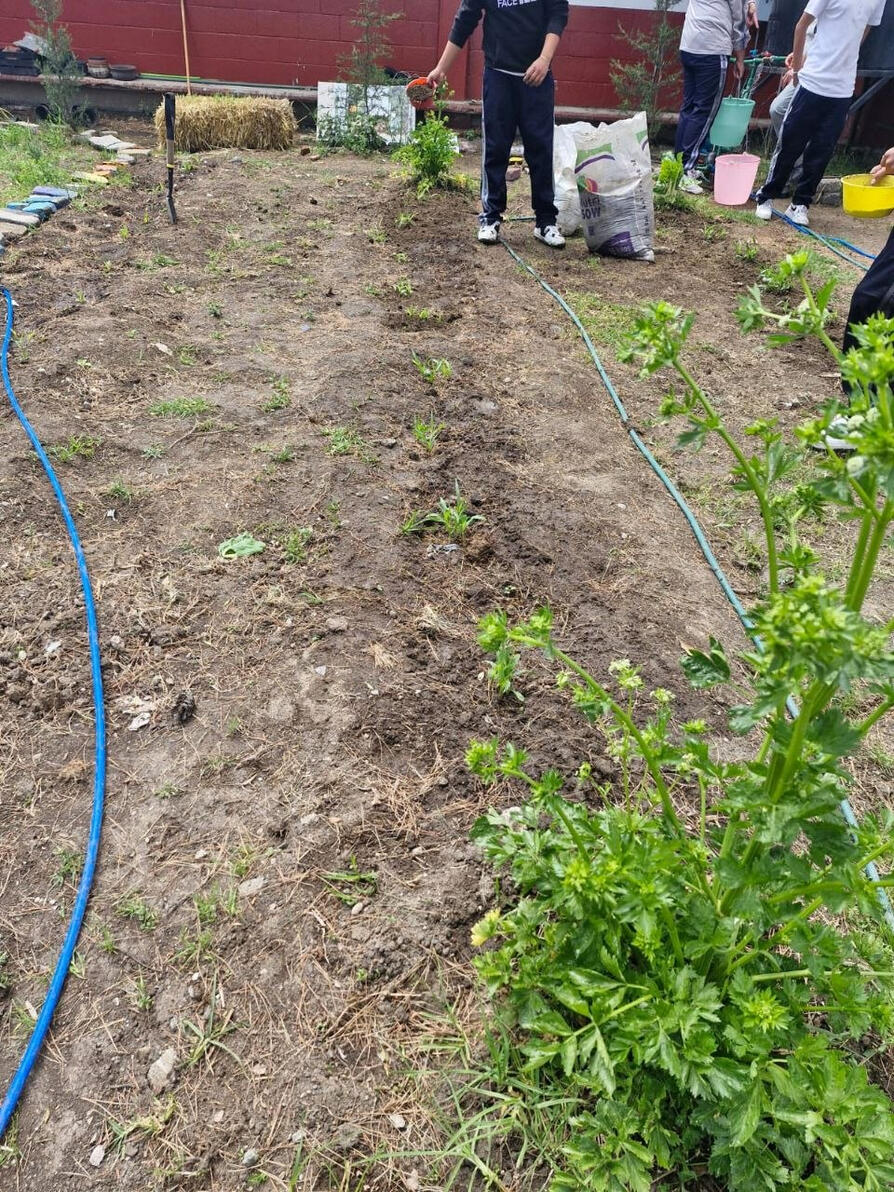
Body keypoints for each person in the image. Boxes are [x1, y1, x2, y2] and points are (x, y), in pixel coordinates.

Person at [426, 0, 569, 248]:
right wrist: (441, 68)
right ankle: (490, 218)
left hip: (537, 77)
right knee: (495, 148)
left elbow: (557, 13)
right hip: (498, 77)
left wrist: (544, 60)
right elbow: (465, 20)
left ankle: (546, 221)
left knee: (541, 150)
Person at [754, 0, 886, 227]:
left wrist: (845, 56)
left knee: (822, 150)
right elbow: (801, 25)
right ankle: (766, 196)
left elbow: (866, 27)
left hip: (842, 88)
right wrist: (797, 67)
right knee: (790, 143)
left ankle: (801, 203)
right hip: (812, 81)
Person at [675, 0, 759, 195]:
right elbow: (738, 21)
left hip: (689, 45)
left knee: (689, 107)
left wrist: (750, 4)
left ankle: (678, 166)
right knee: (704, 111)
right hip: (712, 49)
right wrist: (740, 57)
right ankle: (686, 170)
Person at [768, 21, 817, 196]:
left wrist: (798, 66)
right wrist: (797, 54)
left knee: (788, 115)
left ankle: (786, 176)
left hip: (813, 74)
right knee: (777, 110)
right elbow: (810, 37)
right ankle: (796, 164)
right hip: (803, 67)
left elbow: (824, 43)